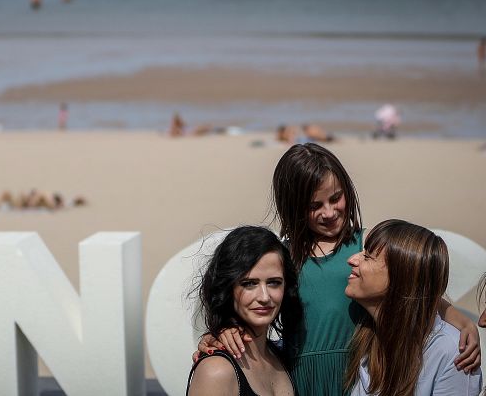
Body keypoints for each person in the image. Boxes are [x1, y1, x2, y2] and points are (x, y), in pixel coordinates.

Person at [196, 143, 481, 395]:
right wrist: (223, 331)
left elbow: (412, 289)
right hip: (299, 376)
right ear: (293, 207)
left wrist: (461, 320)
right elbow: (256, 303)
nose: (329, 212)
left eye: (336, 198)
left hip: (359, 371)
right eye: (314, 205)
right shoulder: (285, 257)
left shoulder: (366, 246)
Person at [344, 219, 482, 395]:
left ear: (401, 276)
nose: (351, 260)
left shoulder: (453, 354)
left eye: (368, 256)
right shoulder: (371, 337)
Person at [187, 226, 300, 396]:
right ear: (227, 288)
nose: (264, 296)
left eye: (274, 282)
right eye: (249, 283)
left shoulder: (283, 356)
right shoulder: (216, 371)